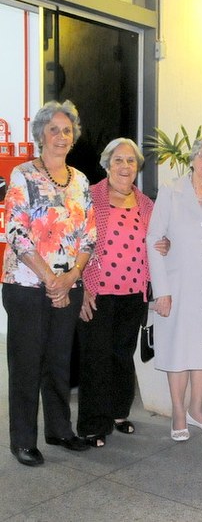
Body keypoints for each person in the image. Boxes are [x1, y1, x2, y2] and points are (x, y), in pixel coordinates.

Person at [2, 100, 96, 466]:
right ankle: (23, 440)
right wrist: (49, 279)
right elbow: (17, 232)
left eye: (67, 130)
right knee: (26, 363)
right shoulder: (23, 174)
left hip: (67, 284)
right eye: (54, 129)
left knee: (59, 361)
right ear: (41, 134)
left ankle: (59, 430)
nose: (61, 136)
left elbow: (89, 235)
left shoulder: (81, 179)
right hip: (26, 284)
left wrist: (71, 277)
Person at [76, 138, 164, 447]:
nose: (125, 166)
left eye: (130, 161)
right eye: (118, 160)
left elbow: (156, 242)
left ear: (138, 167)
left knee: (122, 356)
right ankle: (92, 424)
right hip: (97, 291)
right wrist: (82, 290)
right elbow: (77, 244)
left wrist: (164, 245)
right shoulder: (90, 197)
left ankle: (117, 412)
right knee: (95, 359)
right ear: (107, 164)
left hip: (132, 292)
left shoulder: (145, 204)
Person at [147, 135, 202, 442]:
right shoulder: (171, 191)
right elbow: (154, 240)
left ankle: (197, 409)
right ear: (193, 158)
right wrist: (162, 291)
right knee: (177, 346)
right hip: (177, 283)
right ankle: (178, 413)